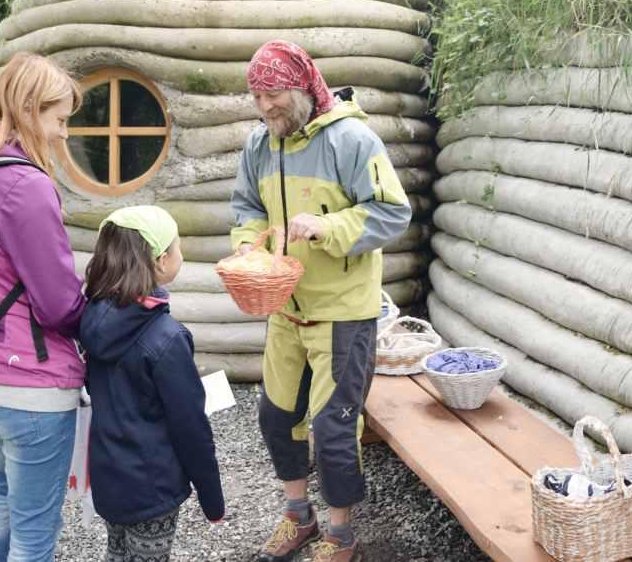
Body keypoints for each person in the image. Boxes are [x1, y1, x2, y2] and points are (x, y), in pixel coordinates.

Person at [230, 41, 412, 562]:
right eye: (258, 97)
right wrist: (249, 248)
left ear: (303, 87)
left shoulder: (352, 139)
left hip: (341, 311)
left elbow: (393, 213)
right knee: (275, 414)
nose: (266, 108)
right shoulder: (259, 145)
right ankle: (298, 517)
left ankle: (341, 535)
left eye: (275, 96)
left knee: (334, 426)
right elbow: (246, 207)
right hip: (285, 307)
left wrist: (328, 225)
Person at [0, 52, 87, 562]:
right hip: (27, 386)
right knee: (34, 532)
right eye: (59, 119)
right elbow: (57, 305)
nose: (63, 134)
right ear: (29, 109)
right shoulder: (24, 184)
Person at [79, 205, 225, 562]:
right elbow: (190, 426)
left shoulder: (91, 316)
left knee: (117, 554)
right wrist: (212, 499)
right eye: (177, 247)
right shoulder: (167, 339)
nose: (181, 254)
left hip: (109, 476)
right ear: (161, 261)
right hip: (152, 486)